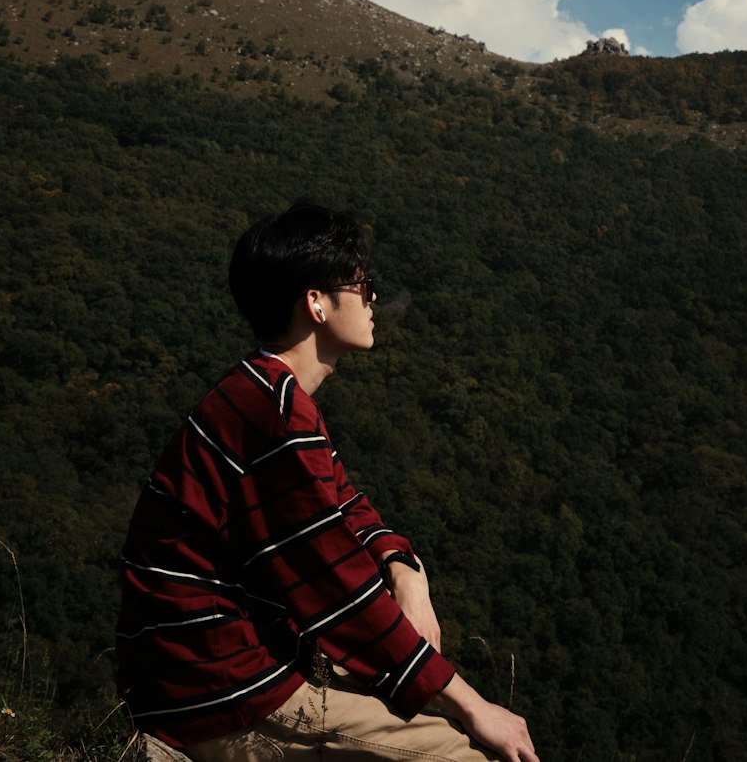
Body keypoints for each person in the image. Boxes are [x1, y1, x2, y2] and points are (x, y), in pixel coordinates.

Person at [117, 202, 540, 762]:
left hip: (193, 675)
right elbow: (338, 591)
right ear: (315, 303)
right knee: (473, 755)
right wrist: (473, 705)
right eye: (361, 284)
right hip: (219, 692)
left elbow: (344, 503)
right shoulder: (277, 416)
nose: (371, 299)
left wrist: (403, 567)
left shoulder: (263, 392)